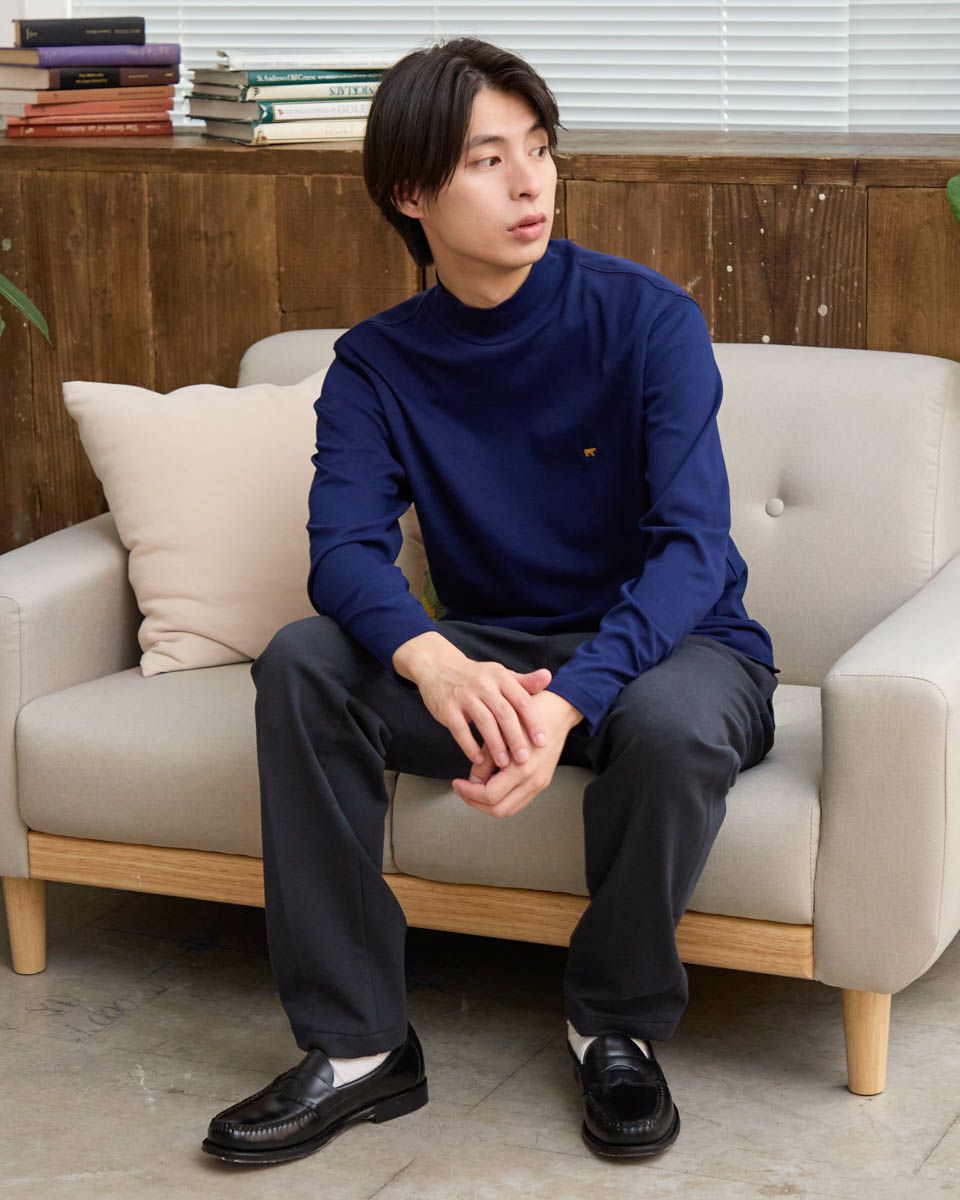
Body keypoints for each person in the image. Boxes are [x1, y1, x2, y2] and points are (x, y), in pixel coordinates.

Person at [202, 35, 780, 1166]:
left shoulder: (648, 319)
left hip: (677, 650)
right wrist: (437, 663)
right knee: (303, 661)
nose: (529, 184)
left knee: (669, 726)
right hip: (494, 654)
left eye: (540, 149)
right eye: (486, 159)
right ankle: (360, 1048)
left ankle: (614, 1027)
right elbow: (343, 553)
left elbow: (690, 553)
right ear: (410, 195)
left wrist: (566, 703)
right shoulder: (375, 365)